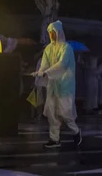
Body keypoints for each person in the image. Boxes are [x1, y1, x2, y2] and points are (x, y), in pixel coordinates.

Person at [34, 21, 82, 149]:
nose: (51, 35)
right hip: (53, 86)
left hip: (65, 86)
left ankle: (76, 131)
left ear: (59, 32)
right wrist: (40, 72)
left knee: (65, 114)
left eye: (53, 32)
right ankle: (54, 139)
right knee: (52, 114)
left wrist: (45, 72)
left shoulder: (66, 48)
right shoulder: (49, 49)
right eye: (50, 33)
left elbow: (62, 65)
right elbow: (44, 63)